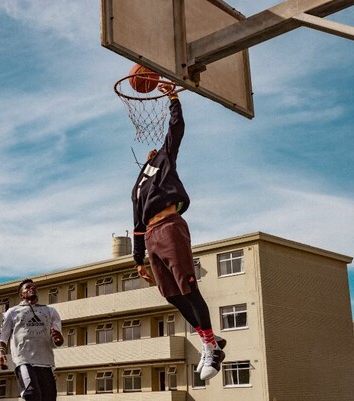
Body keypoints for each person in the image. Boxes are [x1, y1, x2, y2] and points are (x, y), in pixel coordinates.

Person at [131, 84, 226, 381]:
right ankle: (211, 339)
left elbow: (176, 130)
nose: (153, 150)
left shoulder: (165, 159)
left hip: (170, 227)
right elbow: (135, 222)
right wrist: (138, 259)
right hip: (150, 237)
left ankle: (210, 346)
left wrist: (173, 99)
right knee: (171, 294)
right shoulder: (137, 185)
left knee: (187, 286)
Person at [0, 279, 64, 401]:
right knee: (33, 396)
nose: (32, 289)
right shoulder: (12, 312)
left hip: (46, 362)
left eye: (34, 287)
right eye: (27, 287)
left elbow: (57, 341)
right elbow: (3, 336)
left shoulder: (50, 311)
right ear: (21, 294)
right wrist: (1, 353)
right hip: (24, 361)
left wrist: (59, 338)